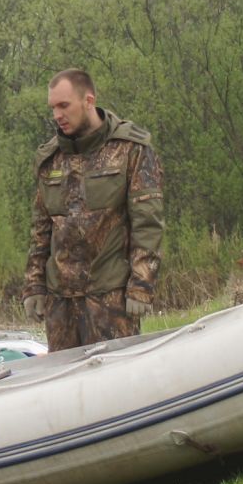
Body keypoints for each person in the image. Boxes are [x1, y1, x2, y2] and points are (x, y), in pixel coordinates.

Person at [21, 69, 164, 351]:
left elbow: (147, 224)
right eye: (53, 108)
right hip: (60, 303)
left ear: (88, 101)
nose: (57, 115)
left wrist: (141, 286)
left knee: (115, 383)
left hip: (110, 299)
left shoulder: (130, 149)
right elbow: (41, 229)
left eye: (64, 105)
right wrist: (34, 286)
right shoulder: (50, 158)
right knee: (62, 386)